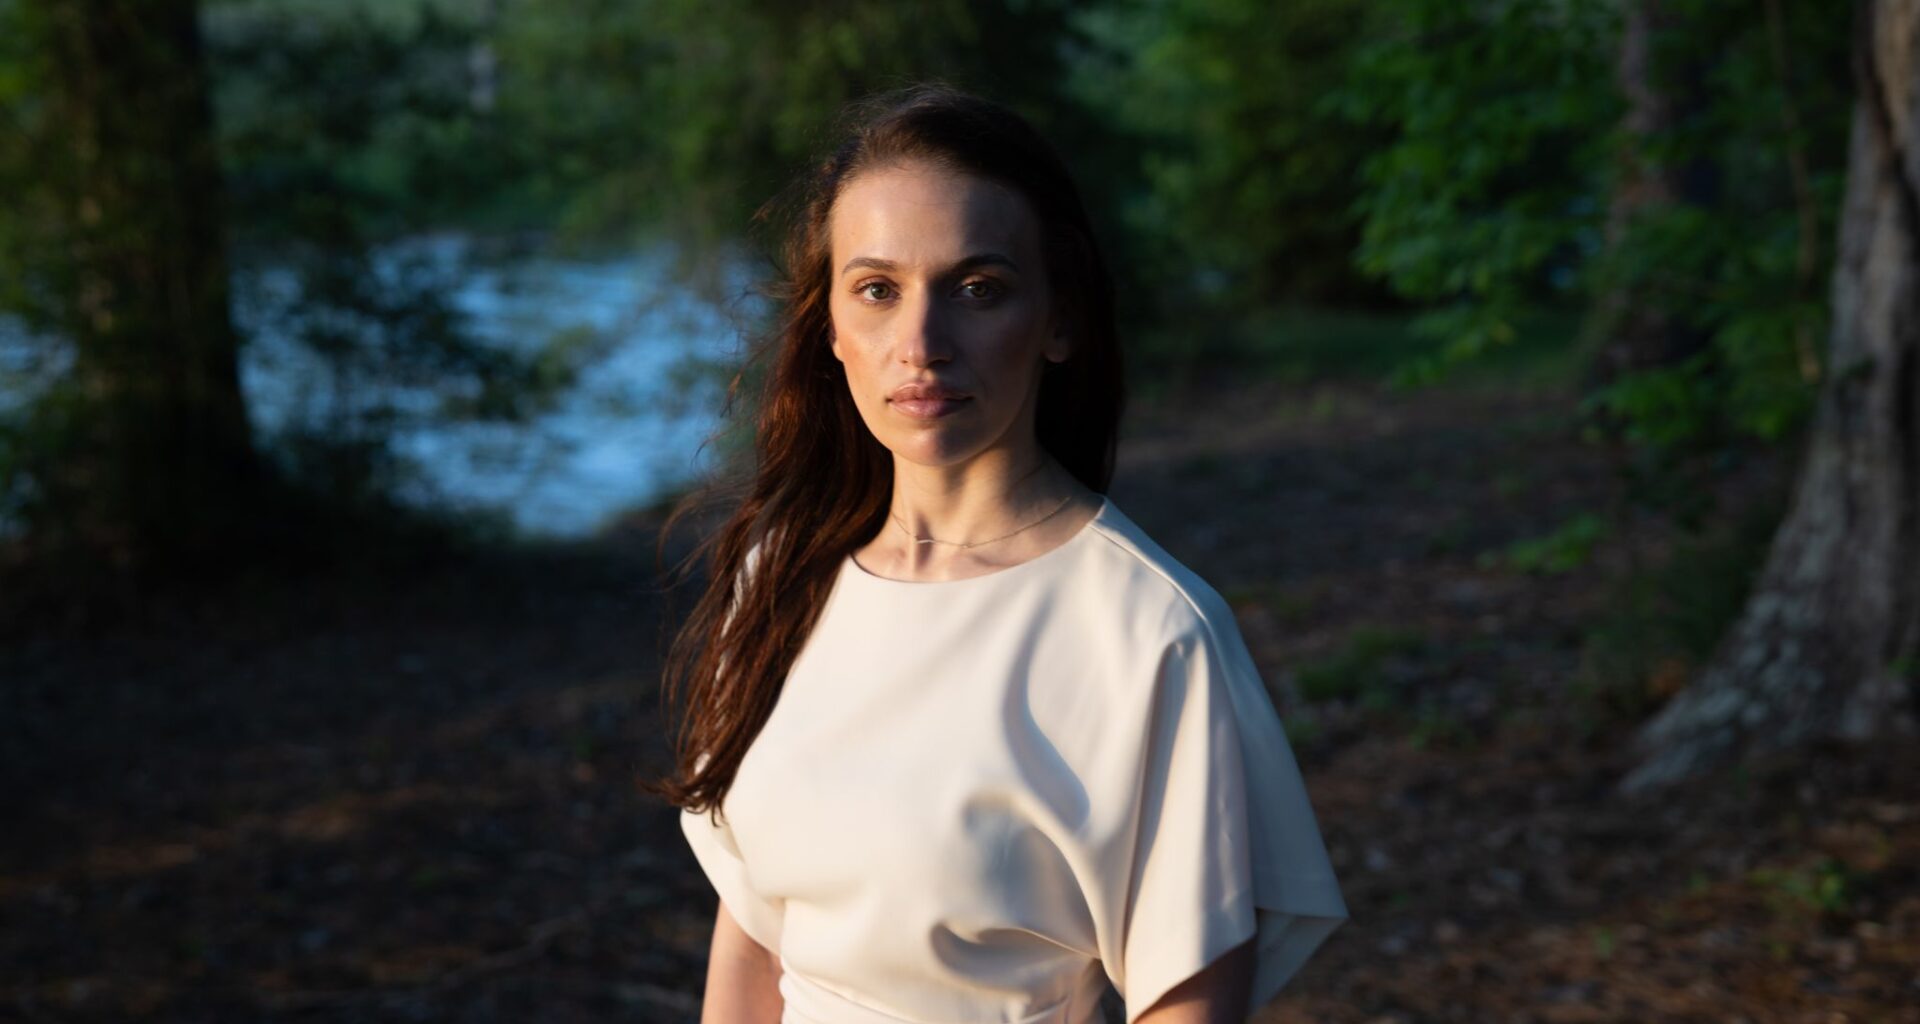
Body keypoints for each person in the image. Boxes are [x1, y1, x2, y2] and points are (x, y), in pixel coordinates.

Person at [648, 84, 1347, 1024]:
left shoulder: (1149, 633)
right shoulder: (779, 578)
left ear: (1058, 321)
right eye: (878, 290)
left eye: (978, 290)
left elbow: (1187, 1004)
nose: (921, 344)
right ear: (830, 330)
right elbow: (756, 935)